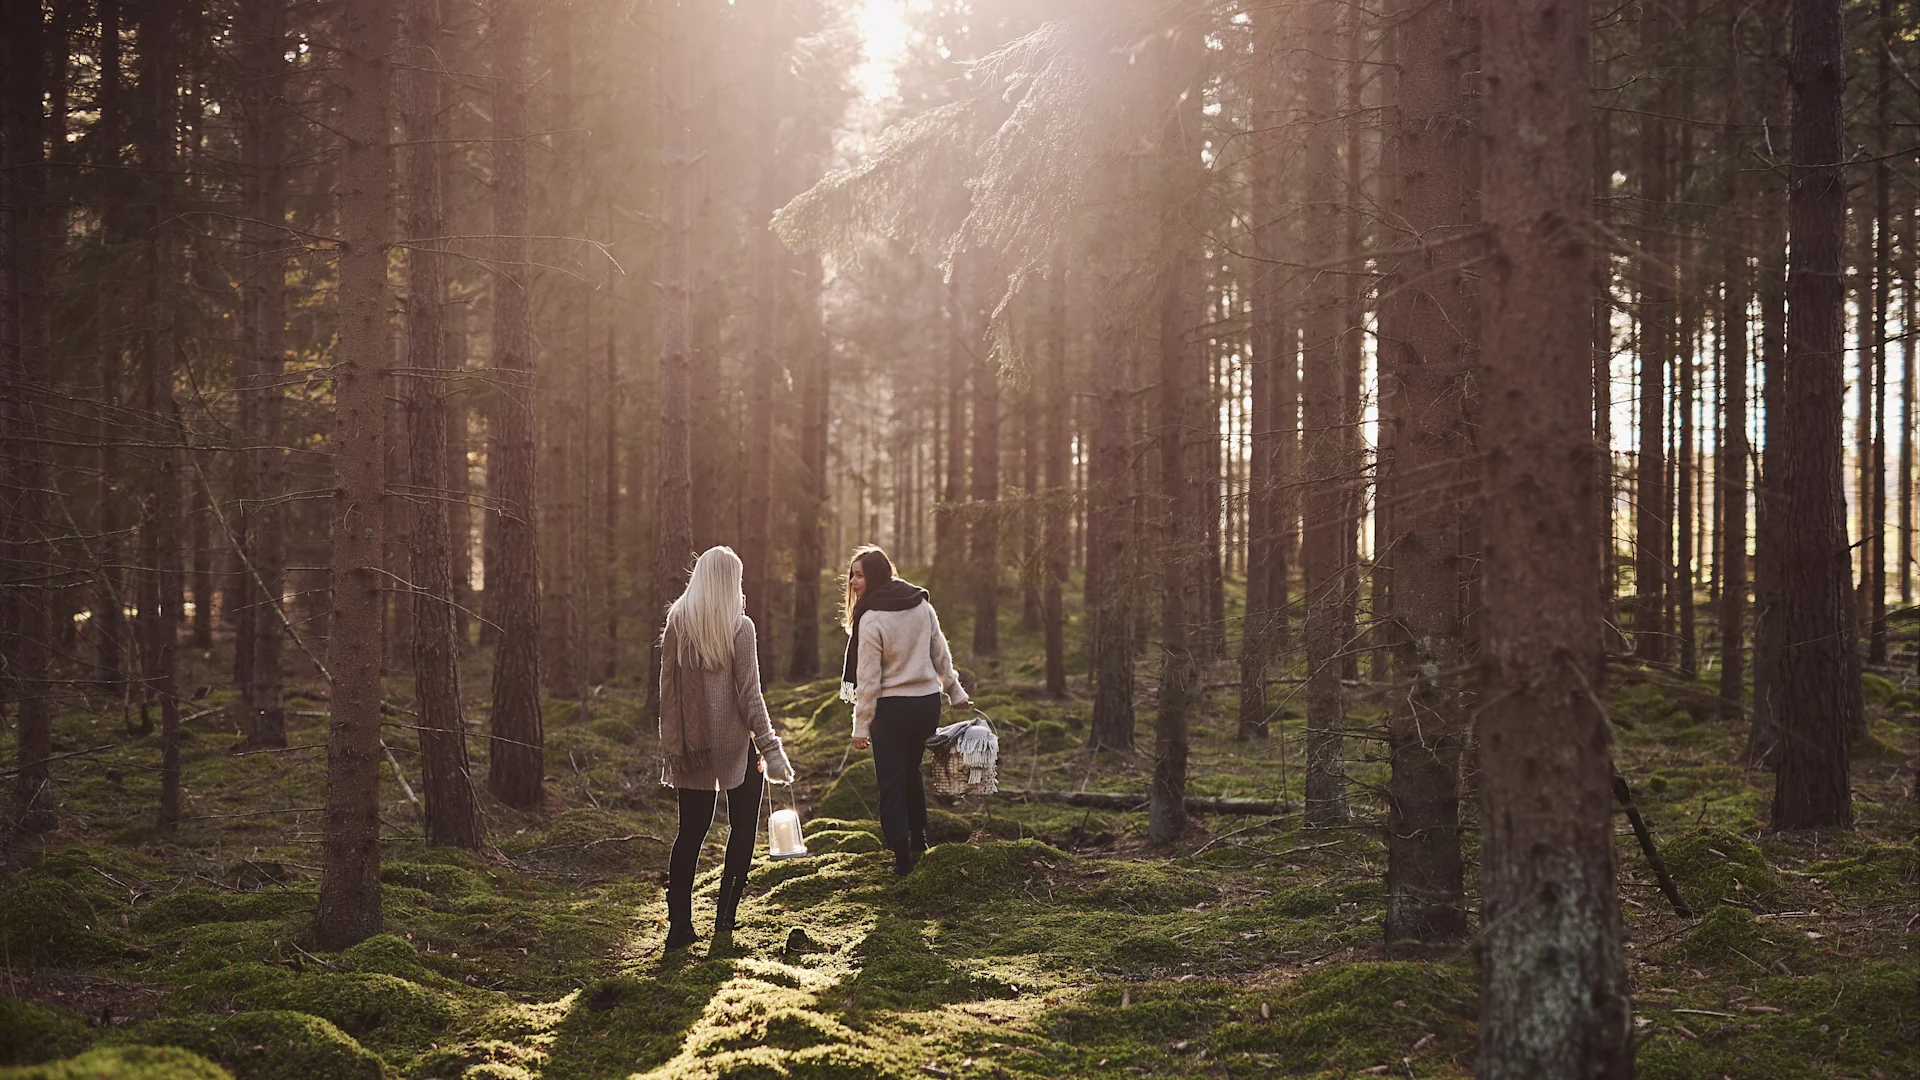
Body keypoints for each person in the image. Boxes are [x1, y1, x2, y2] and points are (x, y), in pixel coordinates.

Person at [659, 545, 793, 950]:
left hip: (691, 744)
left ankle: (679, 928)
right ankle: (725, 922)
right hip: (735, 744)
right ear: (728, 581)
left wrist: (674, 743)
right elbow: (750, 697)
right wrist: (772, 750)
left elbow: (666, 690)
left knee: (690, 834)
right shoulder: (740, 625)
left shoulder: (677, 622)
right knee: (743, 827)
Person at [839, 545, 969, 876]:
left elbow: (868, 680)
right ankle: (919, 840)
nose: (853, 582)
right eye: (852, 575)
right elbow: (940, 653)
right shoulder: (920, 603)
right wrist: (954, 692)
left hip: (891, 709)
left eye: (859, 575)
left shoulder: (871, 618)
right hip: (926, 705)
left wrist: (860, 726)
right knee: (910, 772)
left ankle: (901, 855)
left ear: (876, 576)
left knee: (891, 782)